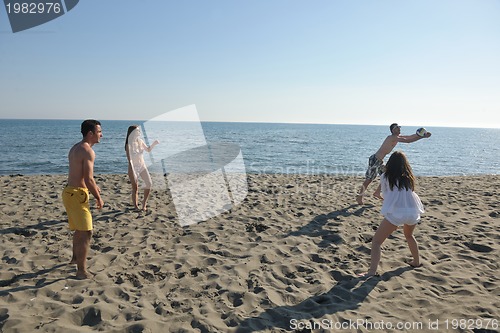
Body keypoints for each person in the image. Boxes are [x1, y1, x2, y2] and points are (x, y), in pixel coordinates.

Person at [362, 151, 424, 277]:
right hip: (413, 211)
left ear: (390, 163)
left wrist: (379, 196)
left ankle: (372, 272)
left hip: (397, 213)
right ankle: (416, 262)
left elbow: (387, 194)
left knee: (376, 242)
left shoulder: (385, 176)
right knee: (409, 236)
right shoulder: (409, 178)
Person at [62, 119, 104, 280]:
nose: (102, 135)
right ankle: (81, 271)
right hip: (77, 194)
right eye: (99, 132)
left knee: (80, 230)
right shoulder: (87, 150)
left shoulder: (76, 147)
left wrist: (93, 187)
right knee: (87, 232)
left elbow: (78, 174)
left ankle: (74, 258)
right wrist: (98, 198)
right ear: (90, 133)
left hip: (69, 192)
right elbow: (88, 179)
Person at [356, 123, 431, 205]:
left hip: (379, 161)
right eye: (397, 127)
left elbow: (409, 137)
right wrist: (422, 136)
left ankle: (377, 193)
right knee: (369, 180)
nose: (399, 128)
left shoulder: (397, 137)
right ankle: (359, 197)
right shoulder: (392, 137)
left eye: (399, 127)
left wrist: (420, 135)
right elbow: (408, 141)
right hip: (375, 160)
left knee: (387, 176)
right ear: (393, 130)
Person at [125, 125, 159, 211]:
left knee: (149, 183)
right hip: (133, 167)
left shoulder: (140, 141)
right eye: (137, 131)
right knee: (135, 187)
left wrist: (154, 144)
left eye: (139, 131)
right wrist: (133, 171)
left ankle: (144, 204)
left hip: (142, 165)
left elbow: (148, 150)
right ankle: (136, 206)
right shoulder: (129, 144)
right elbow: (130, 160)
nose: (139, 132)